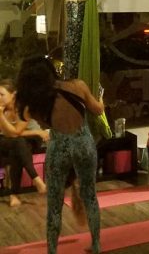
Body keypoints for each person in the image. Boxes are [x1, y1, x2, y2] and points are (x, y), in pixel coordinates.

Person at [15, 56, 103, 254]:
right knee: (90, 196)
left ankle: (52, 250)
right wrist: (102, 99)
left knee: (54, 205)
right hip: (83, 144)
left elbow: (44, 124)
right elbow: (98, 110)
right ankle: (96, 244)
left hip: (58, 148)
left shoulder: (37, 104)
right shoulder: (77, 86)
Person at [0, 79, 48, 206]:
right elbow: (10, 134)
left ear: (13, 94)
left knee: (17, 146)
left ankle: (13, 195)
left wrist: (36, 132)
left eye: (2, 94)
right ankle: (36, 179)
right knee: (17, 144)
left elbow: (16, 132)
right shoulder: (1, 109)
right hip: (9, 141)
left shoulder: (24, 109)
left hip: (30, 140)